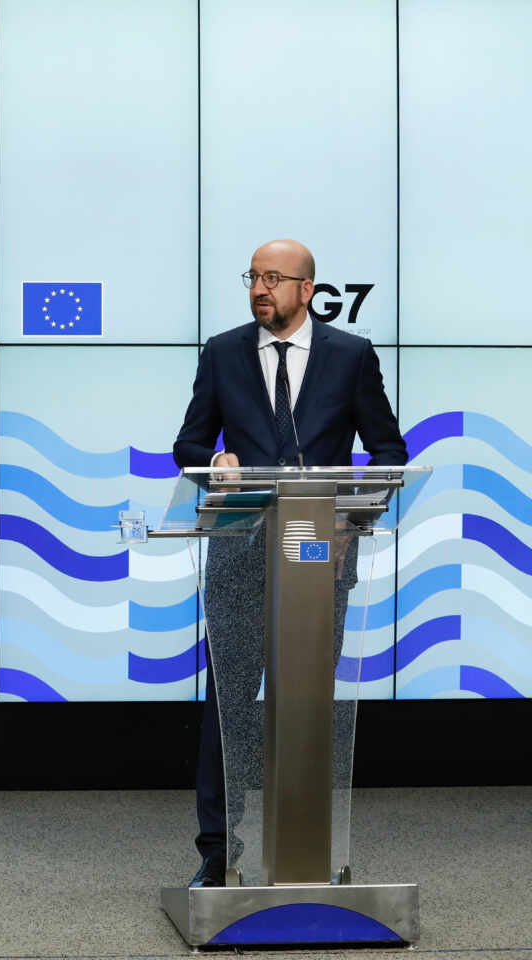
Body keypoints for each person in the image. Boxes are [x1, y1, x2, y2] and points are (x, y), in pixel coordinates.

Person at [171, 240, 406, 887]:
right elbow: (189, 440)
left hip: (317, 561)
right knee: (229, 709)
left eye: (274, 278)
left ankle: (305, 851)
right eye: (253, 276)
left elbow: (388, 448)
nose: (260, 288)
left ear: (308, 289)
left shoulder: (350, 357)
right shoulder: (223, 352)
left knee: (303, 706)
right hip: (240, 554)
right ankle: (218, 854)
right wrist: (211, 460)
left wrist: (348, 517)